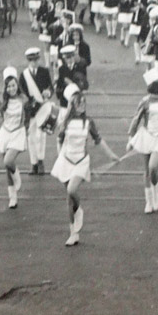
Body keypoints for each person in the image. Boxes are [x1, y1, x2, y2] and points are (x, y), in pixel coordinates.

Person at [51, 84, 120, 246]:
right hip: (66, 160)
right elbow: (59, 140)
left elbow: (99, 140)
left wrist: (111, 155)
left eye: (84, 104)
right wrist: (60, 156)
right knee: (69, 199)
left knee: (71, 190)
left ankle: (79, 211)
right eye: (78, 104)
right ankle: (73, 232)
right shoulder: (65, 122)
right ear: (72, 105)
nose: (82, 107)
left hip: (81, 161)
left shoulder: (89, 122)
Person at [127, 68, 158, 214]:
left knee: (153, 166)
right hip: (147, 135)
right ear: (155, 86)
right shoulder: (145, 101)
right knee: (147, 170)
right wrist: (131, 138)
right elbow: (136, 120)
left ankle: (156, 192)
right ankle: (149, 200)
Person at [0, 67, 27, 209]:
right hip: (5, 132)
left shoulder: (23, 99)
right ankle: (12, 197)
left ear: (17, 85)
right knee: (7, 168)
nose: (11, 88)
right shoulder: (2, 100)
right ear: (5, 87)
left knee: (8, 161)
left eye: (13, 85)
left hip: (18, 132)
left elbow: (27, 117)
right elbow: (3, 116)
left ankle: (17, 174)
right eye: (8, 86)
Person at [19, 47, 53, 175]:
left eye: (36, 60)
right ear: (28, 61)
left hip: (42, 109)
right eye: (32, 60)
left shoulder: (44, 72)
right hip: (31, 111)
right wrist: (28, 101)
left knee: (41, 137)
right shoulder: (24, 75)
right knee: (31, 138)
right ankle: (33, 164)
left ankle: (40, 161)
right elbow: (21, 92)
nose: (34, 62)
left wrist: (48, 93)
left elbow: (50, 87)